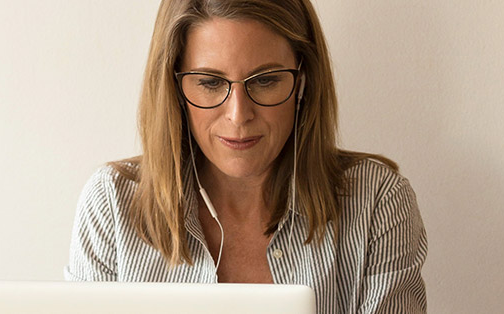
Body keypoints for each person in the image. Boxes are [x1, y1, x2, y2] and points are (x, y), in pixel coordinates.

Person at [63, 0, 428, 312]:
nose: (238, 115)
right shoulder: (112, 205)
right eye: (209, 82)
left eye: (265, 80)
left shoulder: (376, 202)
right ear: (173, 86)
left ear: (302, 79)